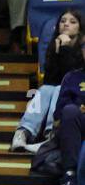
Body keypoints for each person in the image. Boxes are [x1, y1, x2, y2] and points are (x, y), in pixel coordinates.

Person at [11, 9, 84, 153]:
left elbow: (72, 78)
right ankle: (23, 132)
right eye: (63, 21)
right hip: (57, 94)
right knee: (45, 89)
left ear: (80, 27)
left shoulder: (83, 49)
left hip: (78, 96)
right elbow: (50, 79)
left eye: (72, 22)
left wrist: (65, 49)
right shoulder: (55, 44)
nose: (66, 24)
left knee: (59, 88)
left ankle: (52, 134)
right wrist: (58, 50)